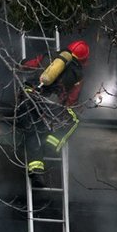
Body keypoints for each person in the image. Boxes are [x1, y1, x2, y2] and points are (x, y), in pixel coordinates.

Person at [17, 40, 89, 182]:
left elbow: (26, 66)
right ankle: (50, 145)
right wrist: (61, 111)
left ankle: (35, 167)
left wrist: (22, 62)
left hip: (27, 96)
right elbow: (71, 101)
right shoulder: (78, 75)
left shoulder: (49, 56)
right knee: (74, 120)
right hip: (48, 105)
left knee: (31, 129)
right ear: (83, 60)